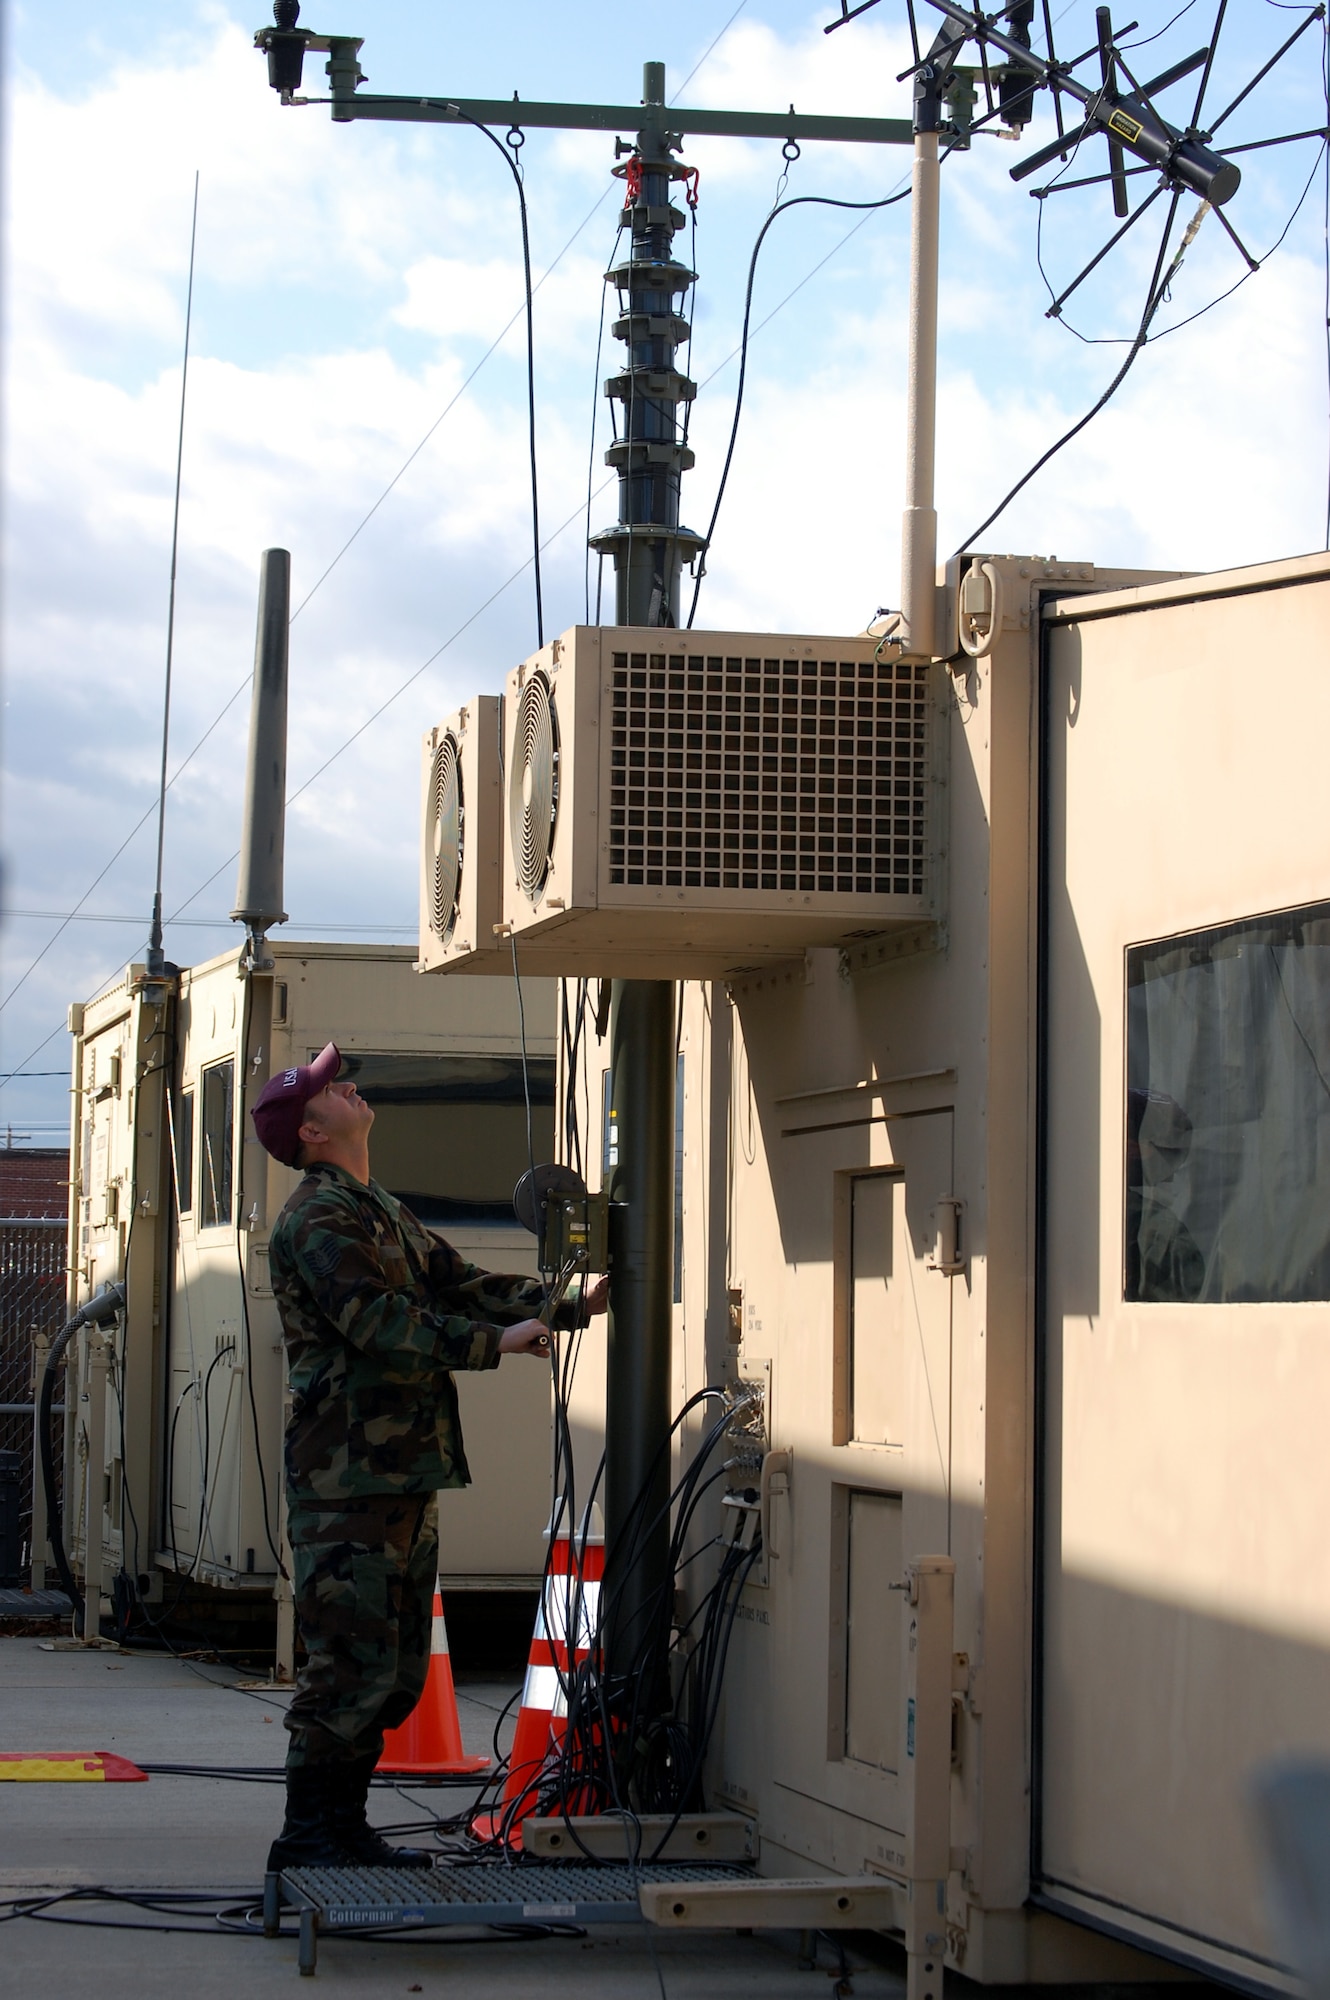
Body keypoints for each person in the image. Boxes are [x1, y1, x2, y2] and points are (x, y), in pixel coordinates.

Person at [250, 1041, 607, 1871]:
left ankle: (342, 1831)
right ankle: (309, 1836)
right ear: (309, 1128)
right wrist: (498, 1343)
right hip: (347, 1480)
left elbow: (460, 1280)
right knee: (347, 1667)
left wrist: (565, 1301)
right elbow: (381, 1324)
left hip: (398, 1472)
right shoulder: (317, 1218)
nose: (347, 1087)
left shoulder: (377, 1208)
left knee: (395, 1670)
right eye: (328, 1088)